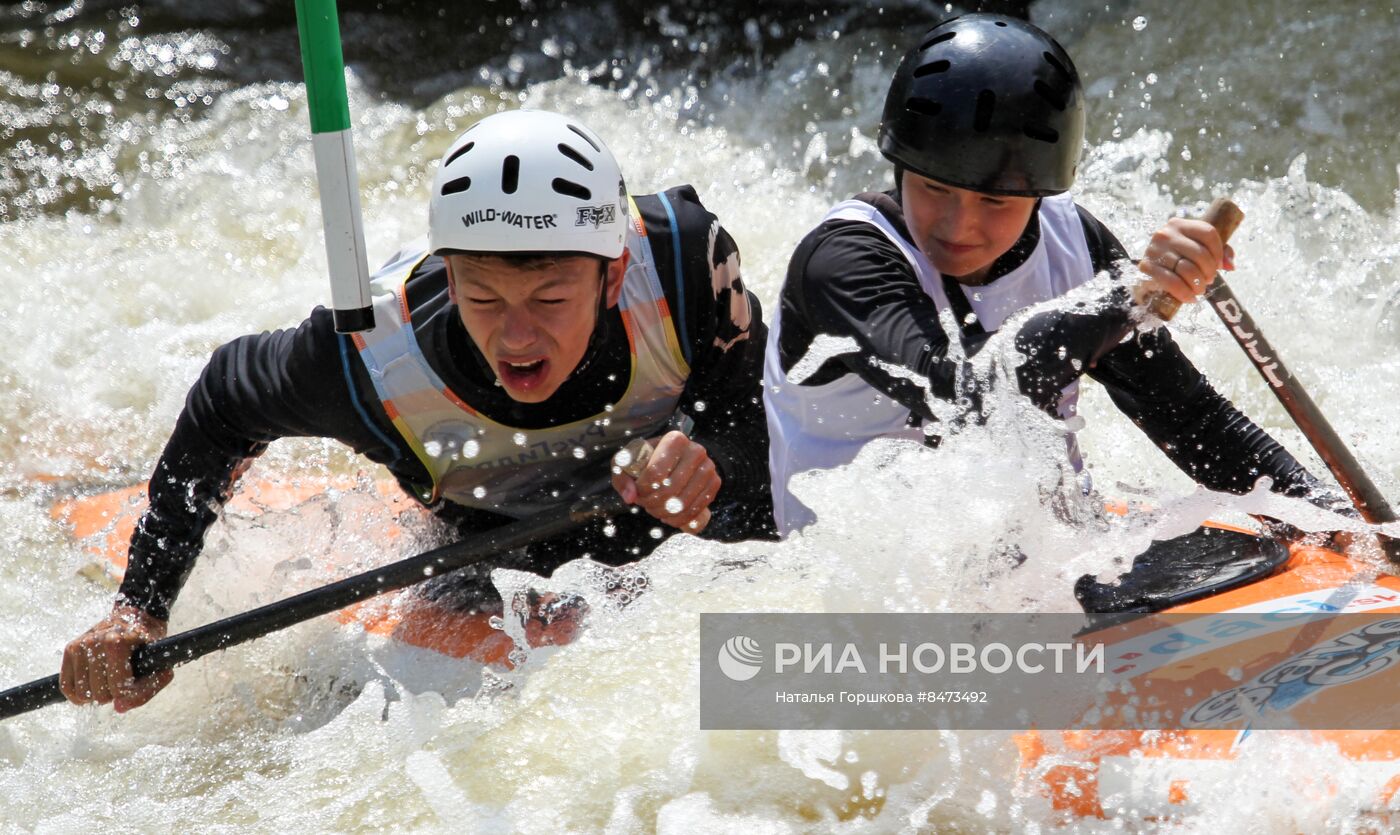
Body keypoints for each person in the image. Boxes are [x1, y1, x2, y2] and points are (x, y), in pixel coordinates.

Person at [61, 109, 774, 711]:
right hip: (490, 551)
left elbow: (763, 425)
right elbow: (224, 399)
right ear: (448, 270)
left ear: (613, 273)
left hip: (669, 517)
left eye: (550, 299)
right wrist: (138, 606)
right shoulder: (369, 356)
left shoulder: (684, 265)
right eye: (483, 296)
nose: (517, 336)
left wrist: (711, 458)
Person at [765, 14, 1345, 534]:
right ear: (899, 165)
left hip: (1047, 557)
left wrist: (1335, 524)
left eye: (995, 202)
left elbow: (1189, 416)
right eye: (934, 188)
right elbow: (972, 401)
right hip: (878, 590)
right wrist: (1129, 294)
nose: (958, 226)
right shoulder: (843, 264)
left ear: (1041, 194)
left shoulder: (1075, 242)